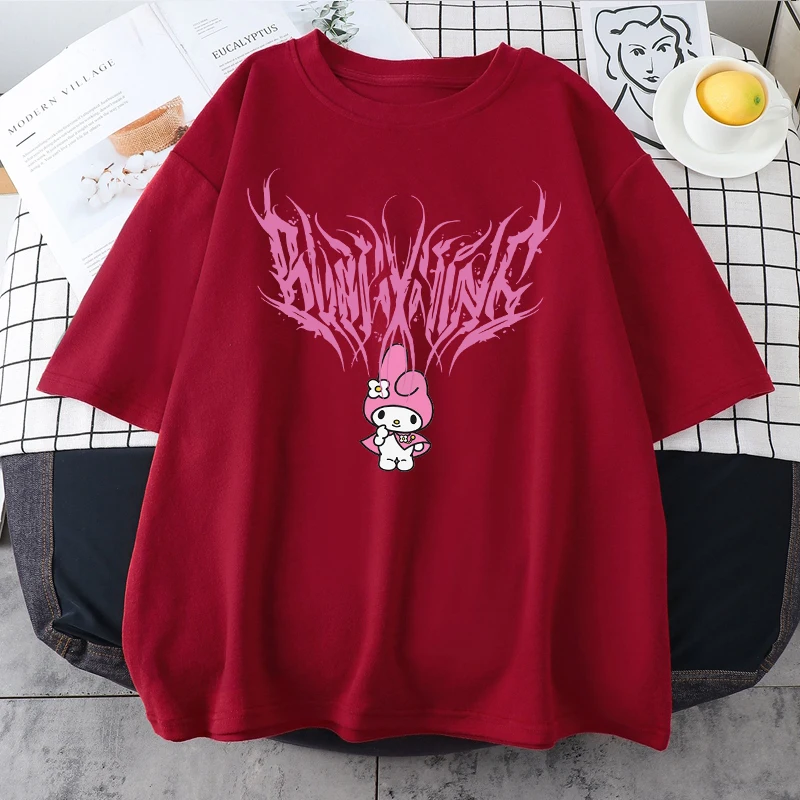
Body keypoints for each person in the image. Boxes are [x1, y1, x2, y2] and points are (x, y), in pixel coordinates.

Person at [595, 5, 697, 148]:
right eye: (637, 52)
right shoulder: (615, 125)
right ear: (617, 55)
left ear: (679, 51)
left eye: (662, 49)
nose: (651, 67)